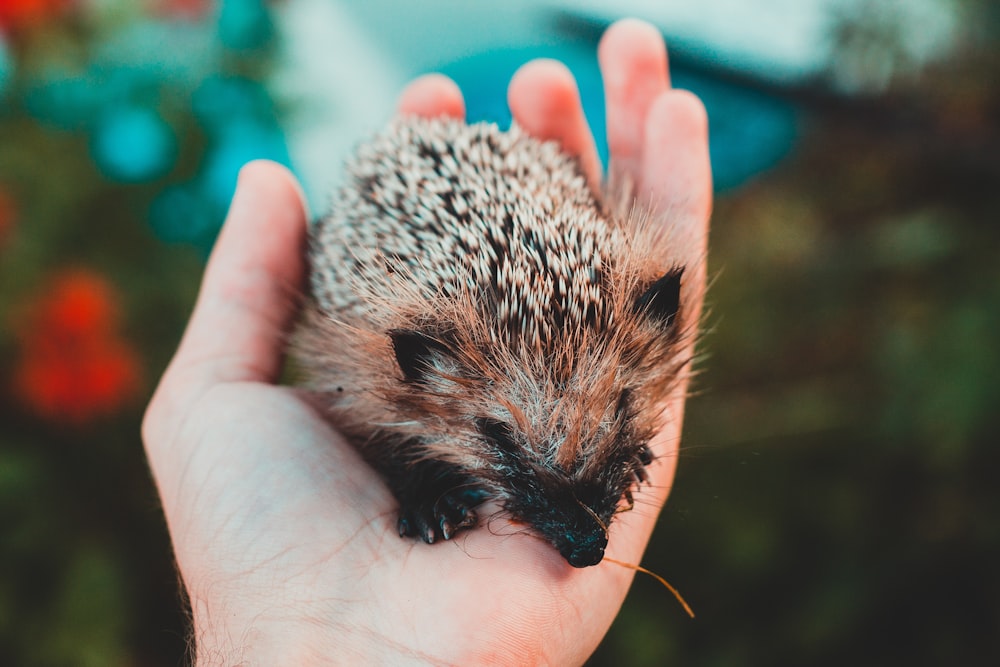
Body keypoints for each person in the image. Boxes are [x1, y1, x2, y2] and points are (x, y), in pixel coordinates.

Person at [142, 18, 711, 665]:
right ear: (423, 372)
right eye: (511, 448)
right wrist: (419, 498)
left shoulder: (629, 326)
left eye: (613, 422)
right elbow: (383, 435)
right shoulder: (393, 369)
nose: (587, 543)